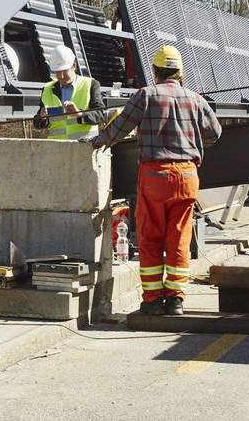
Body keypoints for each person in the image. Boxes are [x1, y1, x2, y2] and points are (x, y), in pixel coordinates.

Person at [88, 45, 222, 316]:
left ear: (155, 71)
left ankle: (152, 300)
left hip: (154, 176)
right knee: (179, 238)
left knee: (150, 238)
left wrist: (95, 142)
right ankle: (176, 300)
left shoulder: (145, 96)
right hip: (187, 176)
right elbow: (215, 134)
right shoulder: (195, 99)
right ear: (180, 71)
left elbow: (117, 129)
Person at [33, 44, 106, 140]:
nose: (61, 76)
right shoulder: (47, 89)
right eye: (57, 72)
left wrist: (80, 114)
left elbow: (101, 114)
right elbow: (37, 122)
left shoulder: (90, 84)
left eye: (64, 71)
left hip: (85, 148)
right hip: (56, 149)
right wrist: (42, 118)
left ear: (74, 66)